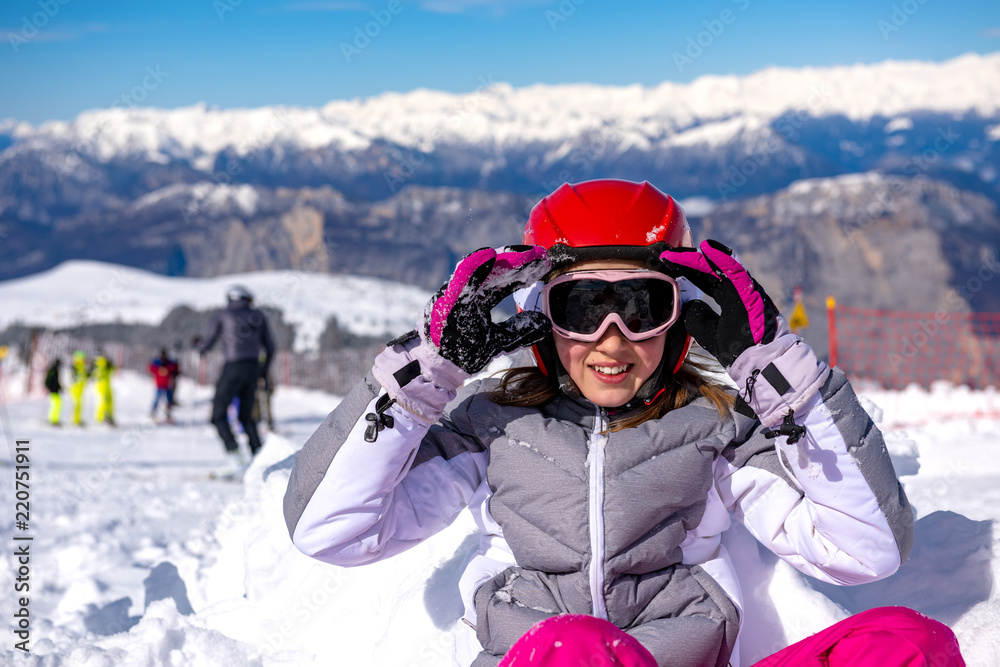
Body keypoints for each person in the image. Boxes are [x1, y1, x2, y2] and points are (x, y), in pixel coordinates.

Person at [282, 180, 963, 666]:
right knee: (576, 646)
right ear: (543, 317)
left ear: (683, 318)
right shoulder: (492, 427)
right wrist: (426, 372)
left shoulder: (717, 429)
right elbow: (331, 528)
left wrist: (780, 371)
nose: (612, 339)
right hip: (554, 659)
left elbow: (867, 548)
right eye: (582, 306)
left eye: (640, 305)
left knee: (908, 645)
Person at [196, 285, 275, 471]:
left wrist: (199, 347)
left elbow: (207, 342)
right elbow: (271, 347)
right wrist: (263, 371)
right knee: (246, 417)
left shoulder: (222, 315)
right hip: (253, 368)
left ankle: (236, 456)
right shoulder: (258, 316)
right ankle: (259, 459)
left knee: (218, 414)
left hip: (232, 367)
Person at [149, 348, 180, 423]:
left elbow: (175, 370)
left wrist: (169, 370)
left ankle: (168, 414)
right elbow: (151, 368)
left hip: (168, 385)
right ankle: (153, 413)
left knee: (168, 400)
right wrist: (159, 370)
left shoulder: (170, 363)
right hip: (160, 384)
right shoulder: (157, 362)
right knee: (157, 399)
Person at [92, 351, 116, 426]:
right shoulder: (98, 364)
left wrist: (110, 365)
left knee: (110, 401)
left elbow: (112, 370)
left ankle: (108, 416)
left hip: (107, 385)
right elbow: (97, 374)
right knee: (102, 401)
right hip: (101, 385)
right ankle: (100, 418)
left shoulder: (106, 364)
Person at [69, 350, 89, 426]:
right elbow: (75, 378)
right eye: (84, 359)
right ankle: (74, 420)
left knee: (80, 405)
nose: (86, 360)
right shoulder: (75, 367)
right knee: (76, 404)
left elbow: (84, 376)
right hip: (76, 389)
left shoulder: (82, 367)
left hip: (80, 389)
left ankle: (77, 419)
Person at [44, 357, 62, 426]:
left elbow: (56, 381)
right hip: (53, 391)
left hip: (55, 390)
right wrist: (50, 388)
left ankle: (54, 419)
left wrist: (59, 387)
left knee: (58, 404)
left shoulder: (54, 370)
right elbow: (49, 381)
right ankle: (52, 420)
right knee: (56, 404)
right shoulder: (53, 370)